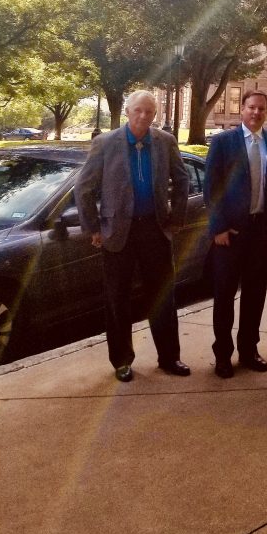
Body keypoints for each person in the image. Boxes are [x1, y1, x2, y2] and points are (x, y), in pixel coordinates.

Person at [75, 90, 191, 382]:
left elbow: (182, 178)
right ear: (128, 111)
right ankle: (122, 361)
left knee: (163, 296)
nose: (144, 116)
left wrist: (176, 217)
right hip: (117, 232)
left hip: (154, 228)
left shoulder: (165, 141)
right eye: (138, 110)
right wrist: (93, 228)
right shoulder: (105, 143)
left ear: (155, 115)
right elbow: (84, 188)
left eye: (150, 112)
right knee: (118, 299)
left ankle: (169, 357)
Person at [204, 90, 267, 379]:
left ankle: (249, 350)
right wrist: (218, 228)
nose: (256, 113)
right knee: (224, 296)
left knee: (255, 295)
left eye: (261, 109)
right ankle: (223, 356)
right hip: (230, 233)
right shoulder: (224, 141)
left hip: (259, 231)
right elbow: (211, 187)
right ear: (242, 109)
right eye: (251, 107)